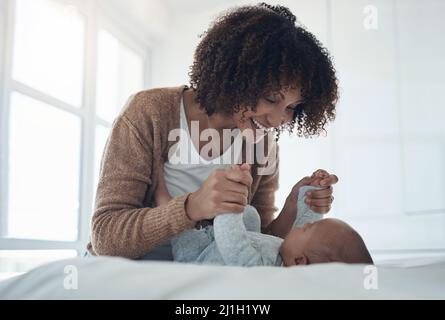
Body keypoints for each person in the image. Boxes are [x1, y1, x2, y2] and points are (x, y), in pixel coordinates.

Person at [86, 3, 339, 260]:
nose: (278, 119)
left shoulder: (263, 145)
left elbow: (252, 244)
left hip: (200, 277)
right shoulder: (149, 112)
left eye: (292, 108)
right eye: (271, 99)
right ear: (237, 77)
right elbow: (106, 237)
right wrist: (192, 207)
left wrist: (292, 209)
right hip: (131, 274)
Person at [156, 164, 373, 266]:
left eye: (306, 229)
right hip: (221, 239)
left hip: (197, 256)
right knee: (252, 217)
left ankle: (160, 191)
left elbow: (232, 242)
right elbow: (307, 219)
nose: (300, 226)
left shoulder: (261, 269)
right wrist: (311, 192)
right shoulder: (293, 252)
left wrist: (232, 203)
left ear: (299, 261)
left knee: (179, 223)